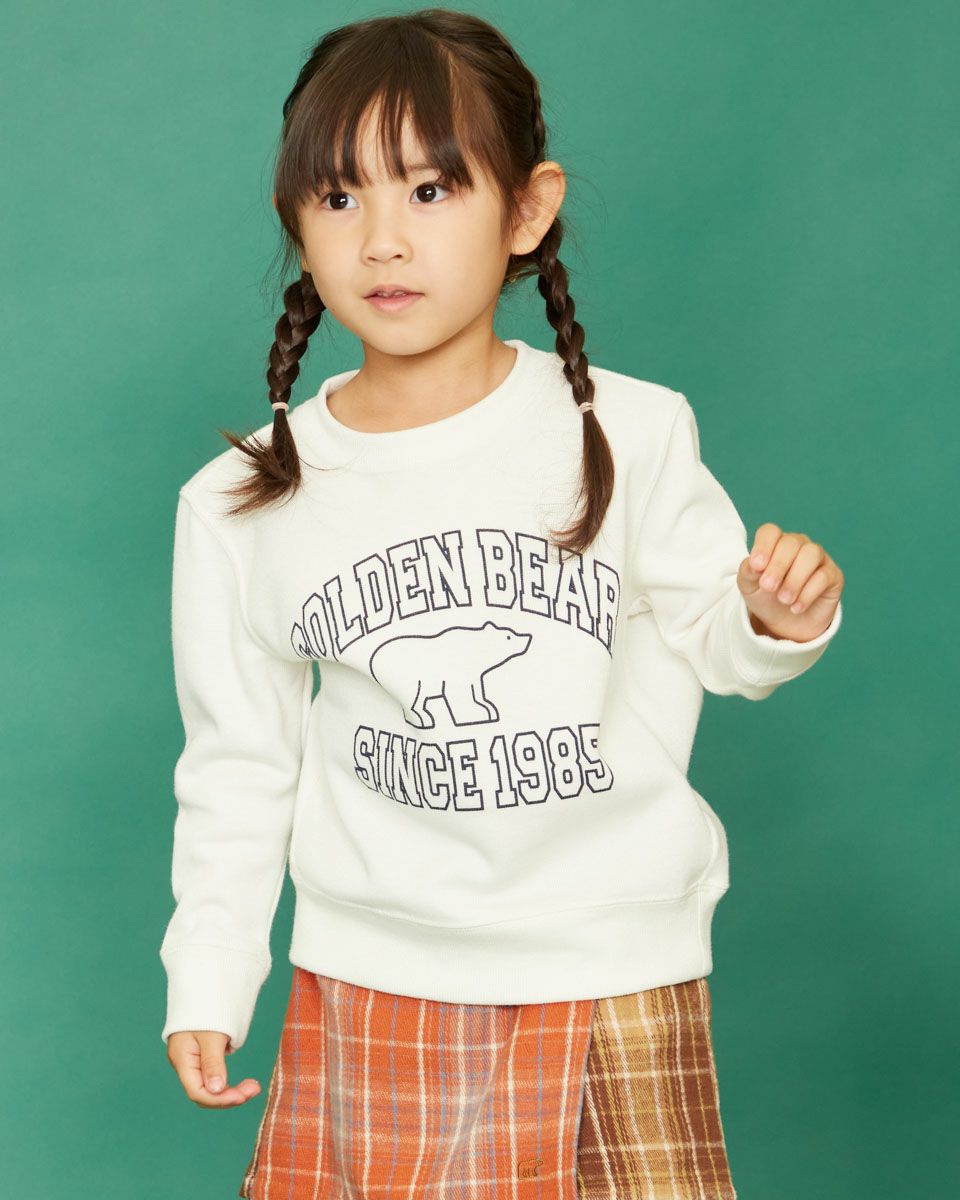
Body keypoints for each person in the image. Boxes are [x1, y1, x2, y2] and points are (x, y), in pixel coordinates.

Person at [159, 8, 845, 1198]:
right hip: (376, 976)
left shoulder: (632, 431)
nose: (384, 240)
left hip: (616, 964)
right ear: (296, 226)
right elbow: (238, 767)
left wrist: (774, 619)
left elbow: (720, 644)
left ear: (528, 210)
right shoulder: (238, 501)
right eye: (339, 198)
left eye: (431, 191)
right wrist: (209, 977)